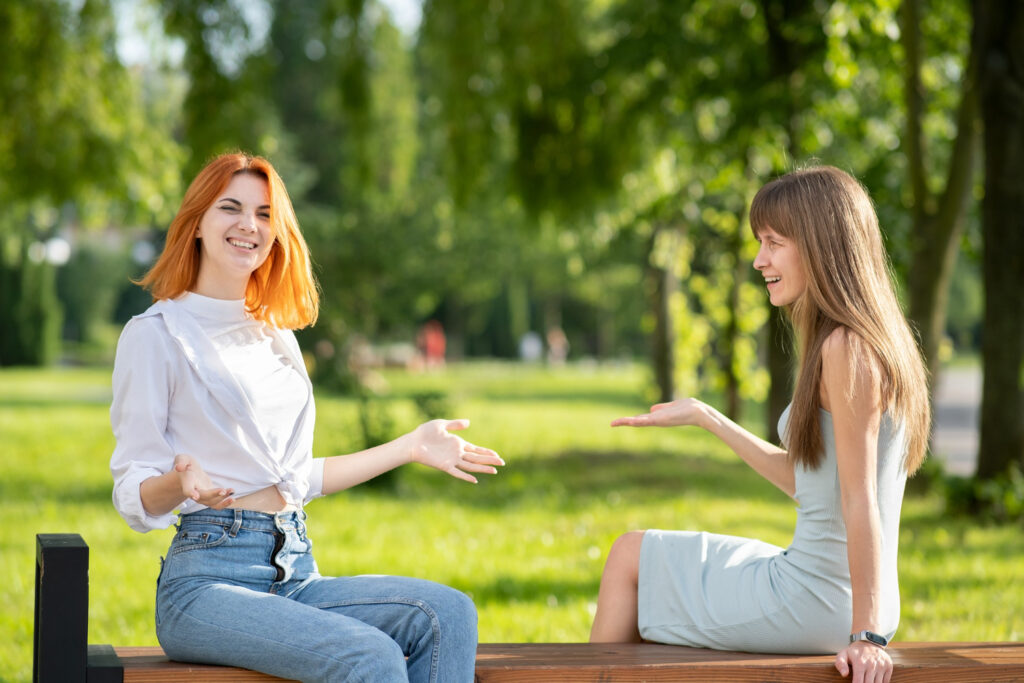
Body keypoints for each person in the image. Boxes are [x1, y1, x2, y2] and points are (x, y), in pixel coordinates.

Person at [109, 152, 504, 682]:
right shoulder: (156, 334)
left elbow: (297, 478)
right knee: (372, 657)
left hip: (293, 568)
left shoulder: (275, 336)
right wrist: (179, 483)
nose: (250, 224)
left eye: (265, 213)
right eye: (231, 208)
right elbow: (131, 491)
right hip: (205, 584)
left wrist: (410, 446)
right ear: (197, 222)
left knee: (448, 614)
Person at [590, 165, 929, 683]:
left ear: (820, 245)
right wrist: (708, 418)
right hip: (838, 594)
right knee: (646, 558)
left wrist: (866, 638)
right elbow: (811, 483)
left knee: (629, 556)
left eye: (773, 242)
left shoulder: (846, 349)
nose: (758, 259)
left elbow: (861, 500)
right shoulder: (872, 341)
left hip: (822, 602)